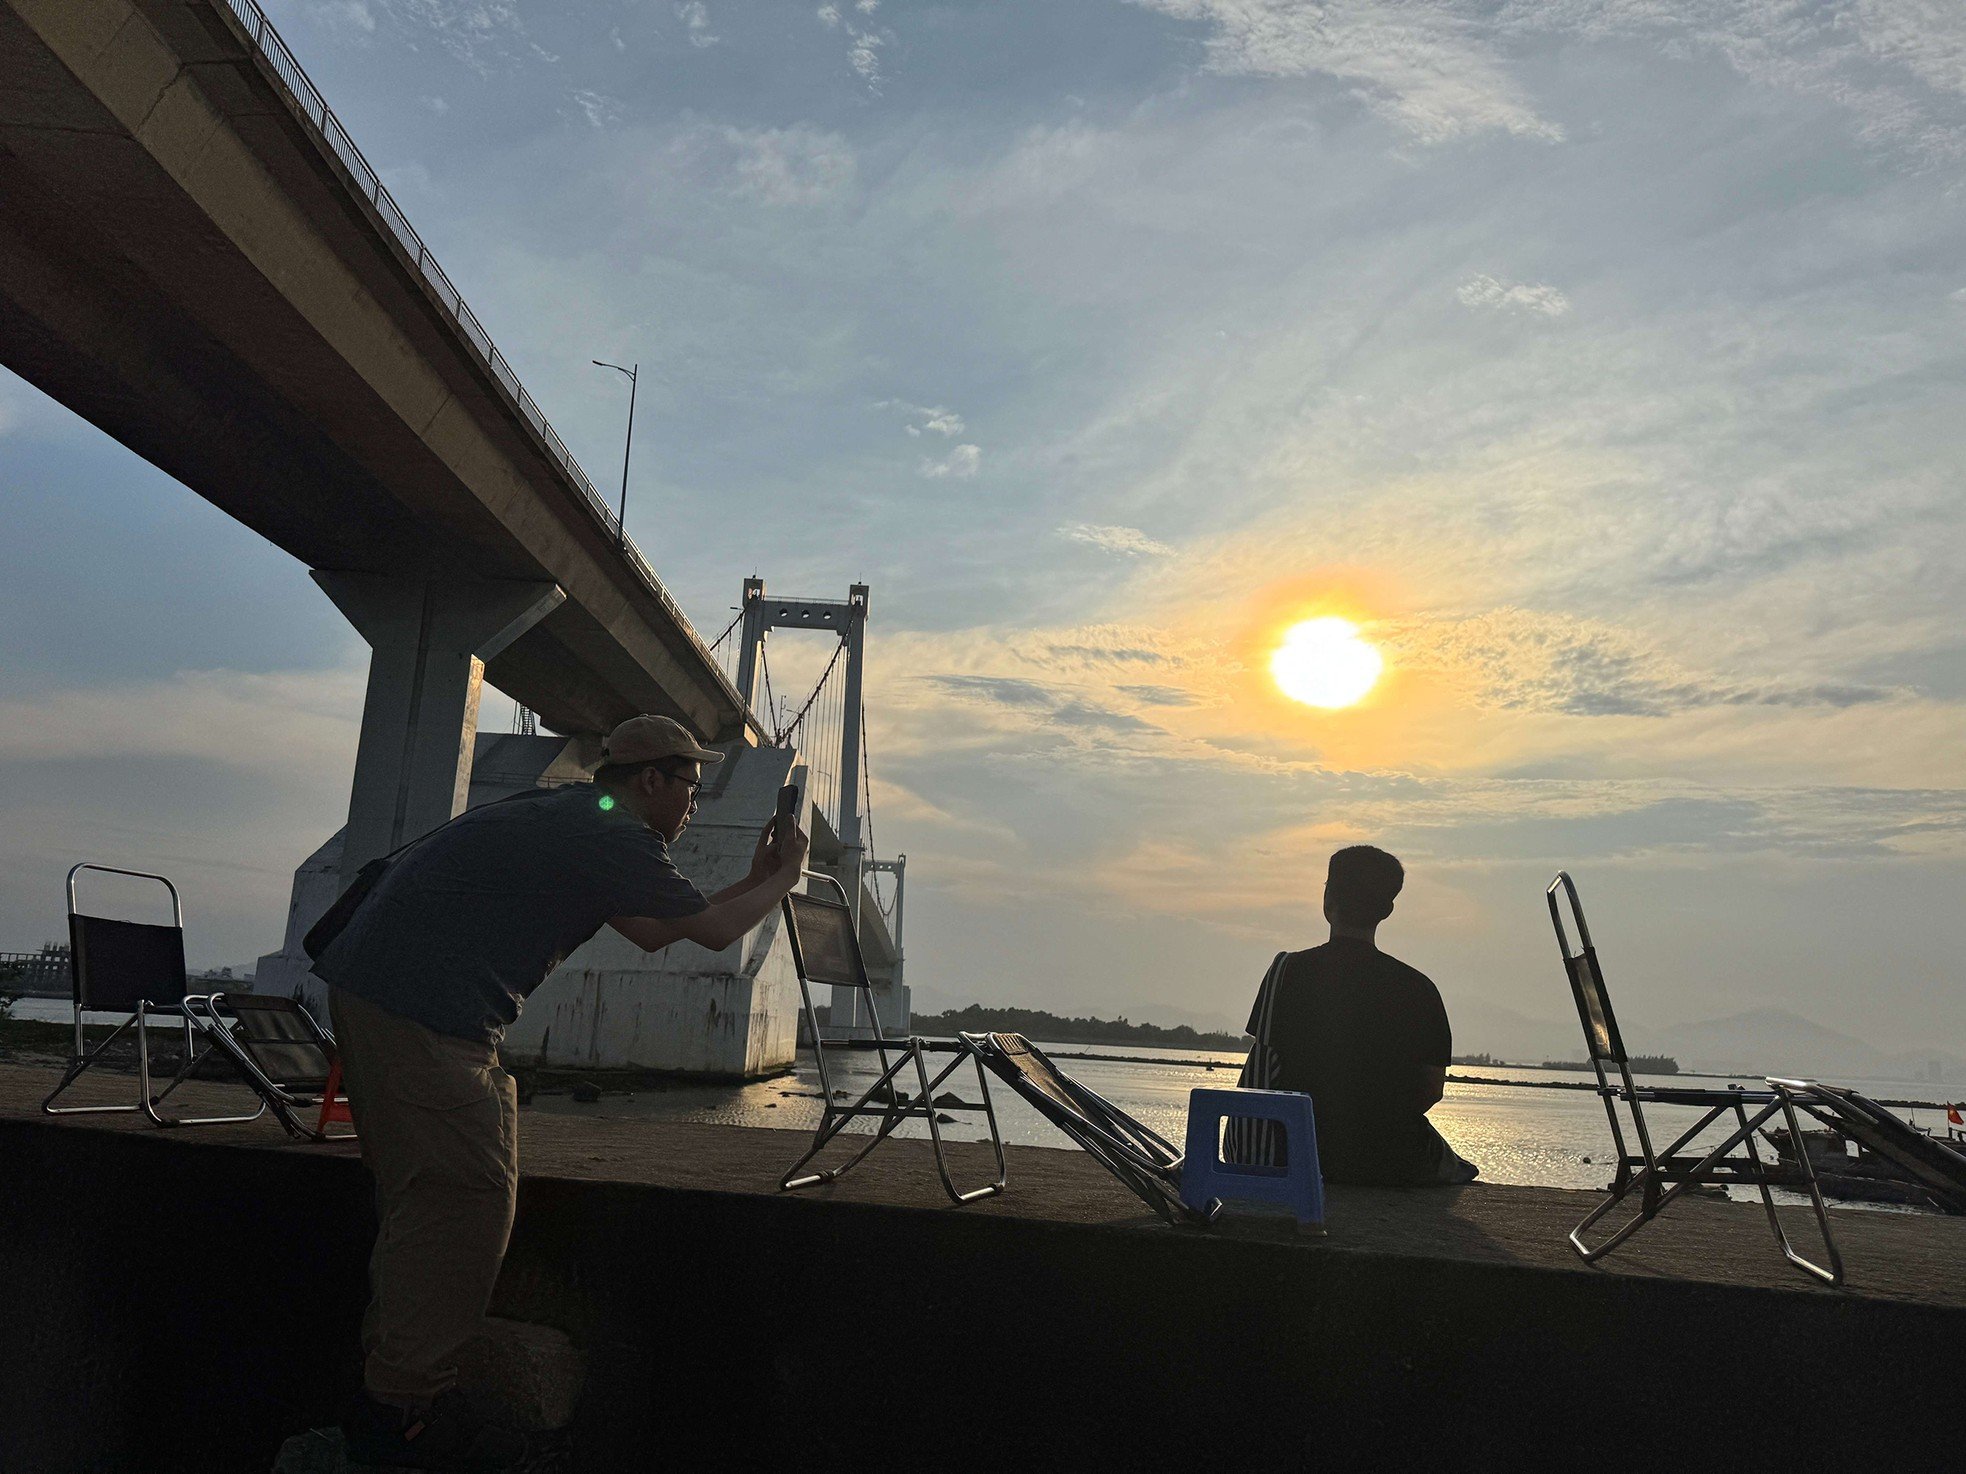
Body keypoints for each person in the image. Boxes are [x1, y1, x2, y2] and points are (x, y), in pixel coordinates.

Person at [313, 714, 810, 1470]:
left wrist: (756, 879)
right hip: (423, 1012)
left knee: (425, 1202)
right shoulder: (613, 834)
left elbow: (655, 930)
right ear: (652, 781)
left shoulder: (575, 816)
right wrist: (781, 880)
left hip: (376, 991)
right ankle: (399, 1415)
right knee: (467, 1198)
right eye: (691, 789)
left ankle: (388, 1394)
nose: (693, 807)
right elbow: (712, 934)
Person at [1231, 845, 1477, 1187]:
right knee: (1462, 1170)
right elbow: (1431, 1090)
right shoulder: (1419, 988)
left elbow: (1267, 1062)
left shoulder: (1287, 972)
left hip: (1300, 1151)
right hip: (1391, 1157)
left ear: (1328, 901)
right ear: (1387, 910)